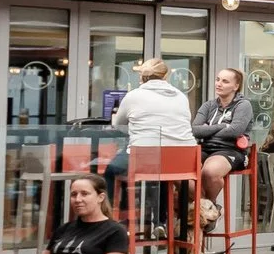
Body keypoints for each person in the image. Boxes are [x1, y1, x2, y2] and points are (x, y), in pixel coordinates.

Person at [104, 57, 194, 185]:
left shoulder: (133, 96)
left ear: (142, 76)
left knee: (111, 170)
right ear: (165, 75)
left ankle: (120, 204)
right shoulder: (181, 96)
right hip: (182, 160)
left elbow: (118, 126)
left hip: (146, 159)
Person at [193, 68, 256, 226]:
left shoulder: (243, 105)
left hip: (231, 150)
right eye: (218, 79)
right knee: (181, 173)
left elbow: (235, 131)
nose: (219, 84)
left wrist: (207, 129)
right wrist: (222, 126)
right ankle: (204, 209)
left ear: (236, 86)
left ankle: (210, 206)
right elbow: (194, 130)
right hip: (205, 148)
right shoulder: (208, 105)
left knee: (209, 171)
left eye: (225, 81)